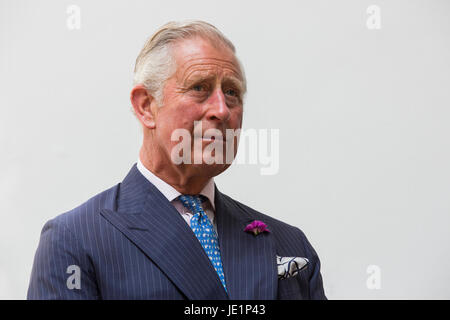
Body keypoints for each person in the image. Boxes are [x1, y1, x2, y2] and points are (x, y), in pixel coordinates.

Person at [27, 20, 326, 300]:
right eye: (200, 88)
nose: (222, 110)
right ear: (146, 106)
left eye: (232, 92)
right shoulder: (76, 241)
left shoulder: (289, 243)